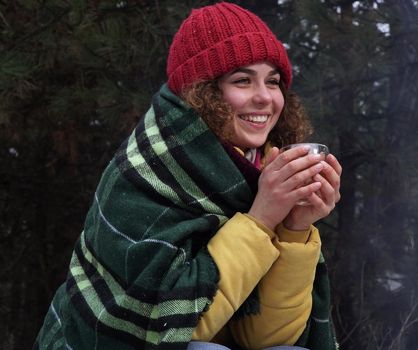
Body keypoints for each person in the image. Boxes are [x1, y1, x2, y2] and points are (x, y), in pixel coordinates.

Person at [34, 2, 342, 349]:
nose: (265, 98)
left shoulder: (262, 169)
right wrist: (261, 217)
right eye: (242, 80)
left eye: (273, 81)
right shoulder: (147, 171)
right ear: (203, 93)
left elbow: (265, 338)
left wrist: (294, 228)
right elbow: (170, 328)